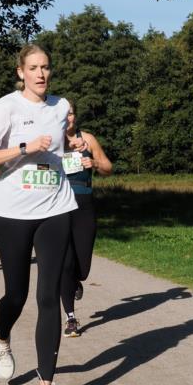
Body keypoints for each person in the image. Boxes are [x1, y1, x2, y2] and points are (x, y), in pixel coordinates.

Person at [0, 44, 87, 385]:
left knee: (48, 297)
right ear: (20, 72)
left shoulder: (61, 105)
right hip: (12, 212)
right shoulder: (4, 107)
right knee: (16, 296)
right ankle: (2, 336)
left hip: (56, 208)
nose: (41, 73)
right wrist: (23, 147)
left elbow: (63, 145)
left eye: (46, 67)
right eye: (34, 68)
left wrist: (75, 143)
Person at [60, 102, 113, 338]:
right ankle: (70, 317)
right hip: (58, 206)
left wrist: (94, 163)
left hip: (84, 204)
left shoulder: (88, 139)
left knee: (82, 265)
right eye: (63, 114)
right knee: (65, 264)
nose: (68, 117)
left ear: (75, 116)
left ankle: (77, 281)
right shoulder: (51, 140)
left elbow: (108, 167)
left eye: (71, 113)